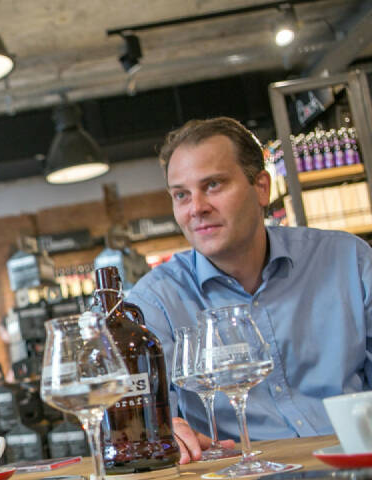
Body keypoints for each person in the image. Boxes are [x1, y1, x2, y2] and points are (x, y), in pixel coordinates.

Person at [126, 116, 372, 460]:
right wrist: (160, 425)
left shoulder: (348, 259)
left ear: (261, 187)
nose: (196, 208)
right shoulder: (154, 302)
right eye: (181, 195)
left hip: (357, 459)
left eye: (213, 185)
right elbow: (128, 403)